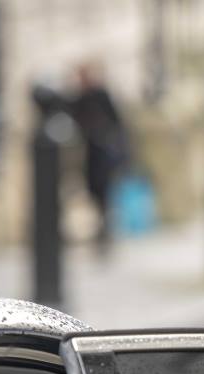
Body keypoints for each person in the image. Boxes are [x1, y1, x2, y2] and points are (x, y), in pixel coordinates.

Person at [70, 63, 128, 250]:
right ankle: (101, 223)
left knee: (105, 187)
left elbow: (116, 120)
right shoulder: (79, 98)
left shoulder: (101, 95)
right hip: (90, 151)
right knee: (93, 187)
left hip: (104, 151)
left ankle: (106, 225)